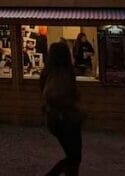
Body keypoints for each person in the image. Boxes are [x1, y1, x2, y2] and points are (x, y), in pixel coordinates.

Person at [40, 41, 84, 176]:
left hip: (59, 120)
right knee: (74, 157)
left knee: (74, 156)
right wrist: (72, 105)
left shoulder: (50, 72)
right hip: (65, 119)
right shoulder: (62, 74)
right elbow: (53, 95)